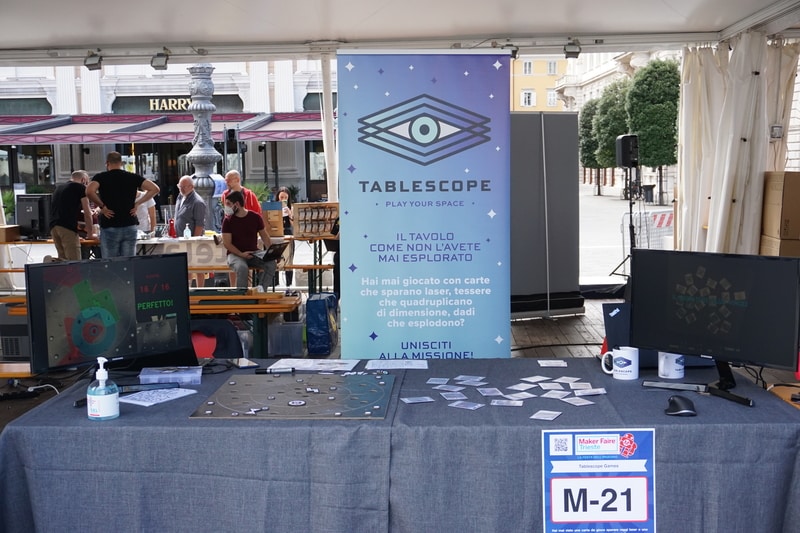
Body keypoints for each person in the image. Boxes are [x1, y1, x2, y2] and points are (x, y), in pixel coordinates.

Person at [86, 151, 159, 257]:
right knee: (128, 261)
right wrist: (138, 203)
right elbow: (155, 189)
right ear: (121, 163)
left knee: (110, 263)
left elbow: (89, 191)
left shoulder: (101, 177)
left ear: (107, 163)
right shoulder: (132, 177)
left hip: (109, 223)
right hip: (129, 224)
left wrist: (103, 207)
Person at [221, 190, 276, 290]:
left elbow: (265, 237)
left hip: (253, 252)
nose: (226, 207)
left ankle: (261, 289)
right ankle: (242, 296)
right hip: (235, 254)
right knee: (242, 268)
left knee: (271, 262)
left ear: (237, 204)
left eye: (228, 204)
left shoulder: (255, 217)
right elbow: (227, 243)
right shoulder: (227, 221)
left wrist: (273, 254)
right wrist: (241, 254)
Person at [49, 170, 94, 261]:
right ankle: (52, 261)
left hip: (53, 227)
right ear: (83, 180)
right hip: (67, 227)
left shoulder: (59, 187)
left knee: (63, 258)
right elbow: (87, 213)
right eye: (87, 183)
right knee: (74, 261)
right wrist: (90, 234)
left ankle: (54, 261)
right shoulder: (80, 188)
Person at [175, 175, 208, 287]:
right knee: (186, 265)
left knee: (197, 266)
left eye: (184, 187)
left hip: (193, 240)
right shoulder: (180, 196)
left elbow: (199, 224)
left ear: (192, 187)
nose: (181, 189)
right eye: (180, 186)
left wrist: (193, 241)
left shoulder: (198, 202)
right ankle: (187, 288)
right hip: (180, 238)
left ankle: (200, 290)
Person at [277, 186, 295, 287]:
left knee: (289, 260)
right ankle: (275, 283)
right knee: (275, 259)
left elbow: (294, 226)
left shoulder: (291, 208)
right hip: (276, 234)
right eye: (281, 197)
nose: (283, 199)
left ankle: (289, 284)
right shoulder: (274, 207)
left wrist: (290, 214)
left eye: (285, 197)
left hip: (288, 232)